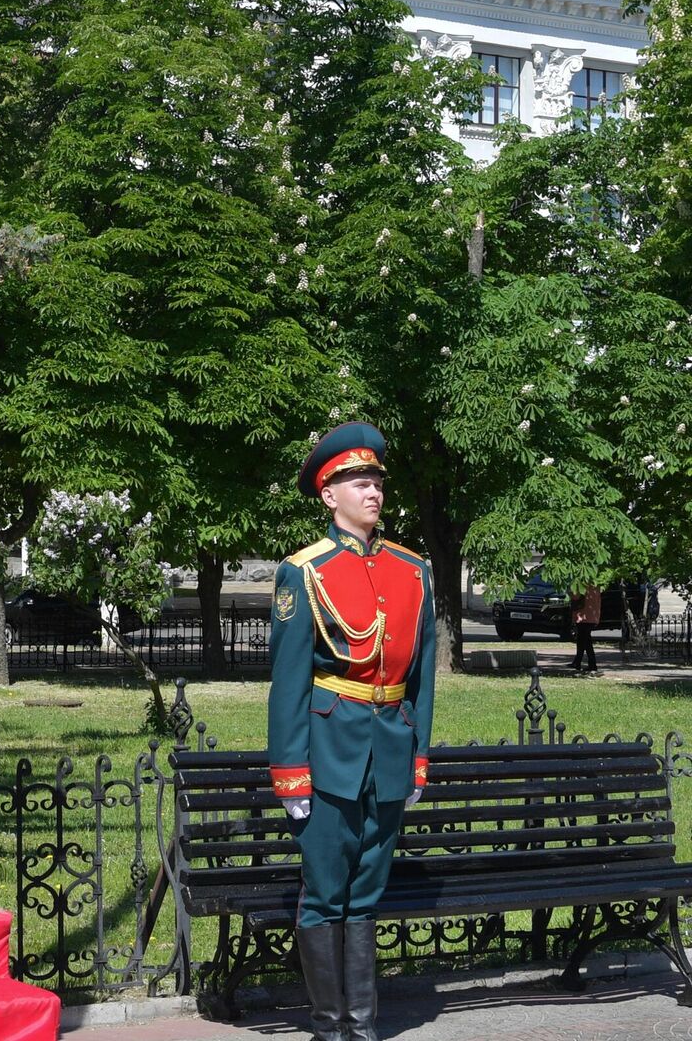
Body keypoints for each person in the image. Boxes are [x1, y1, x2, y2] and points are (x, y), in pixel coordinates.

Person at [268, 421, 435, 1041]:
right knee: (324, 892)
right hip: (329, 750)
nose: (372, 491)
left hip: (389, 747)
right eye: (357, 481)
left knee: (366, 892)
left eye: (376, 481)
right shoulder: (303, 573)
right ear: (327, 495)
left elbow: (421, 683)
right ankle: (327, 1027)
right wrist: (290, 774)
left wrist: (418, 757)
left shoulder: (413, 570)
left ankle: (360, 1028)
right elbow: (288, 683)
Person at [569, 587, 600, 673]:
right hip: (592, 617)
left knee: (583, 641)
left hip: (583, 617)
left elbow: (575, 598)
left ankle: (589, 664)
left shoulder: (581, 585)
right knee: (585, 641)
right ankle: (579, 662)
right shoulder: (596, 587)